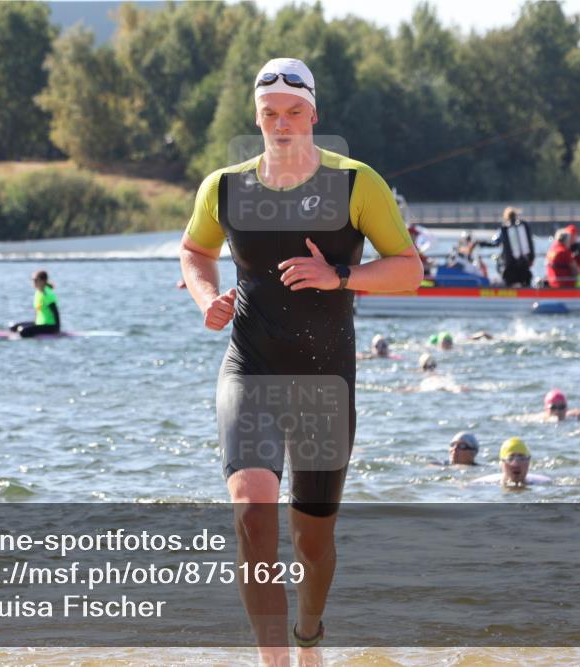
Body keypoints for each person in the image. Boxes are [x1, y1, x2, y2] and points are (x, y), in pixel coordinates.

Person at [179, 57, 422, 665]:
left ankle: (308, 635)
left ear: (314, 114)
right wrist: (209, 299)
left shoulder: (356, 184)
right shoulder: (224, 187)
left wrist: (339, 274)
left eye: (293, 112)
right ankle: (275, 661)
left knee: (312, 544)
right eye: (270, 114)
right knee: (253, 517)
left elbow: (408, 270)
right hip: (250, 367)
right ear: (256, 117)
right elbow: (194, 250)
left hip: (324, 380)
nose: (281, 124)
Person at [477, 206, 535, 287]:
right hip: (524, 269)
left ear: (506, 217)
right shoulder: (523, 228)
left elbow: (494, 243)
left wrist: (480, 243)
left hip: (510, 270)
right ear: (515, 216)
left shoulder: (504, 229)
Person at [474, 438, 551, 487]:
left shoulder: (544, 483)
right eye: (510, 458)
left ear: (528, 462)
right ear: (501, 463)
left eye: (522, 458)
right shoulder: (483, 484)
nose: (516, 464)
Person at [8, 270, 60, 338]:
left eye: (35, 280)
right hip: (39, 323)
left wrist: (57, 329)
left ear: (43, 281)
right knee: (13, 327)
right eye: (32, 280)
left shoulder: (47, 293)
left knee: (22, 331)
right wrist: (34, 325)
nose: (33, 282)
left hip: (50, 326)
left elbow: (55, 312)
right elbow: (38, 310)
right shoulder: (38, 292)